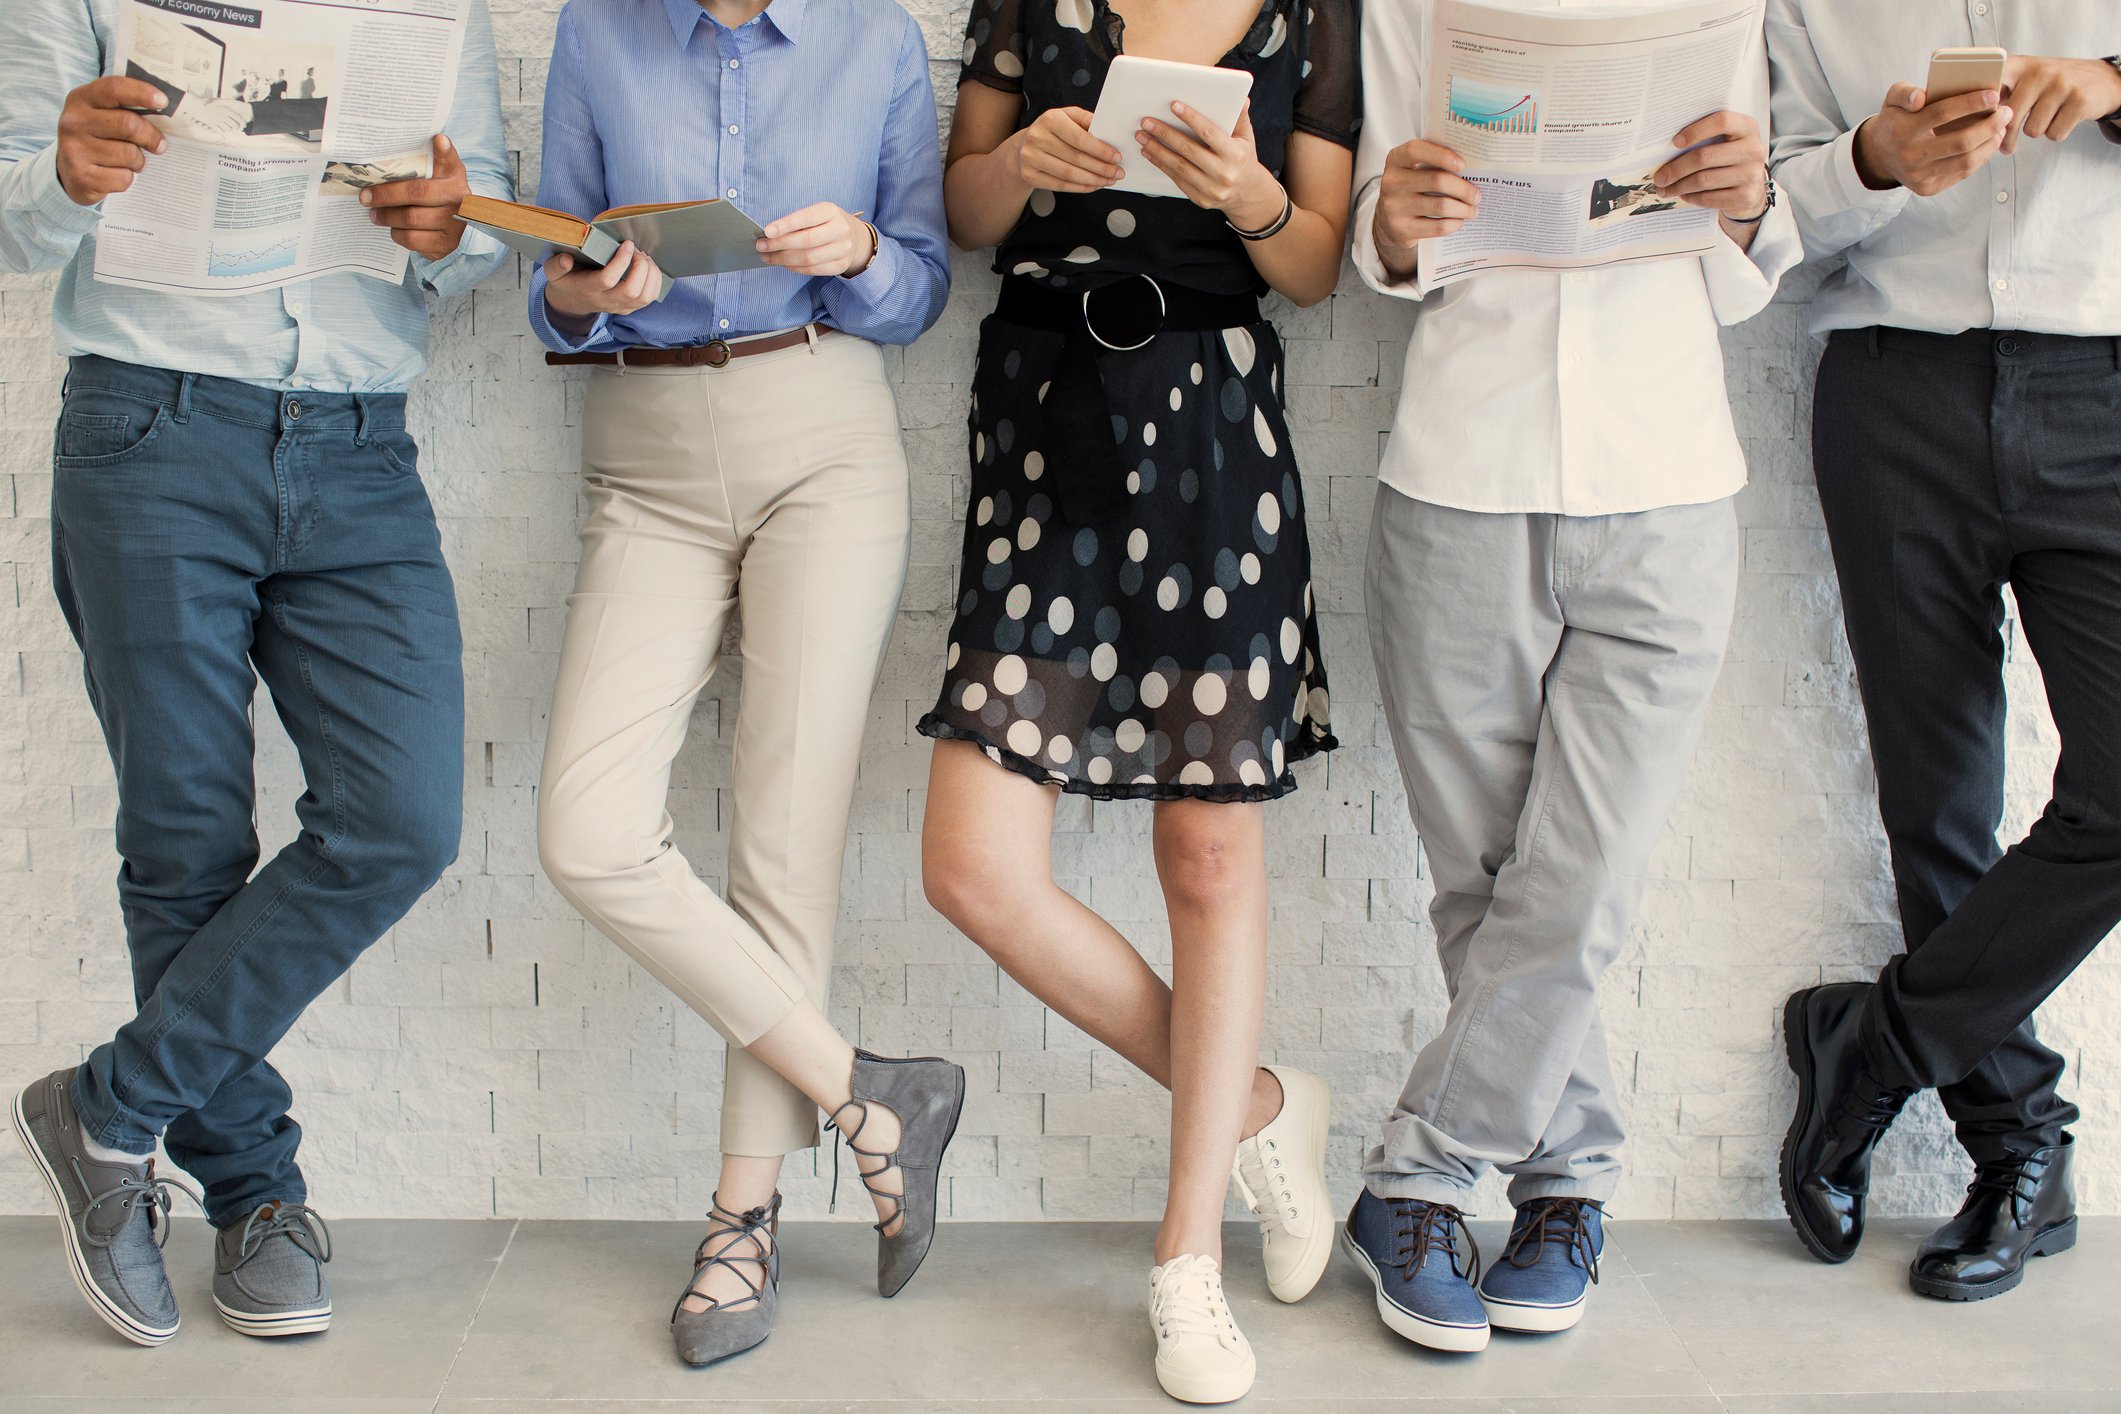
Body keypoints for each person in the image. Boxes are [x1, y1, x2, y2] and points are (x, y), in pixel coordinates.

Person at [0, 0, 510, 1348]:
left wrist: (451, 228)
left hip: (356, 446)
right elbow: (9, 219)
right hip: (150, 422)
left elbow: (484, 217)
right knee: (184, 835)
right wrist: (63, 171)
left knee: (402, 819)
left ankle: (108, 1106)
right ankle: (256, 1199)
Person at [1342, 0, 1798, 1353]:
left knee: (1580, 880)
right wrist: (1397, 213)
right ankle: (1564, 1184)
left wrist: (1743, 197)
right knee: (1487, 884)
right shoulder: (1413, 9)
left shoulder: (1727, 7)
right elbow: (1384, 238)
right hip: (1456, 474)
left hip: (1668, 483)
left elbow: (1758, 255)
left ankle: (1416, 1177)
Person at [917, 1, 1355, 1402]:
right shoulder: (1030, 3)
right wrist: (1027, 161)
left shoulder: (1312, 13)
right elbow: (967, 215)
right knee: (974, 867)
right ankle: (1267, 1109)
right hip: (1045, 424)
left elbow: (1317, 267)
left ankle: (1186, 1260)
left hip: (1216, 430)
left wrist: (1250, 195)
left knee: (1208, 853)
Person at [527, 0, 958, 1369]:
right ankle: (868, 1095)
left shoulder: (877, 40)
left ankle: (741, 1221)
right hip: (645, 450)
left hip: (824, 434)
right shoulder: (596, 35)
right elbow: (551, 271)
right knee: (587, 830)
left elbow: (924, 289)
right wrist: (589, 291)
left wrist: (869, 253)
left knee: (783, 851)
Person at [1765, 2, 2121, 1302]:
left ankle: (1871, 1044)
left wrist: (2110, 80)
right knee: (1937, 795)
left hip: (2107, 377)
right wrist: (1870, 160)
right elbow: (1765, 213)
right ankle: (2016, 1143)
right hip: (1891, 385)